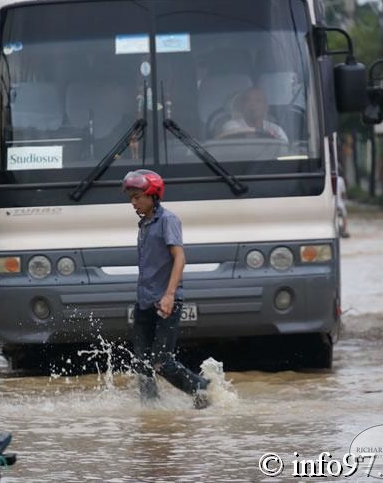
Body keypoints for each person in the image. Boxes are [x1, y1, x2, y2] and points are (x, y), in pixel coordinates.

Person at [122, 169, 211, 409]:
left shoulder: (167, 220)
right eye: (131, 197)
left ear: (153, 195)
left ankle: (201, 388)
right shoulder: (144, 224)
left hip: (165, 301)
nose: (133, 202)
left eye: (138, 196)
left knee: (162, 362)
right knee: (141, 364)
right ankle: (151, 413)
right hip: (144, 302)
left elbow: (179, 258)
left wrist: (170, 295)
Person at [218, 87, 289, 142]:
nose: (252, 105)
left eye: (258, 100)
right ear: (242, 106)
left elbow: (285, 151)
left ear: (266, 107)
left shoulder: (276, 129)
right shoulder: (231, 126)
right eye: (248, 100)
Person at [337, 169, 350, 239]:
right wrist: (345, 201)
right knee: (344, 216)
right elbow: (343, 193)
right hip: (339, 203)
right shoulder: (341, 180)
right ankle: (344, 231)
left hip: (331, 204)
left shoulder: (328, 178)